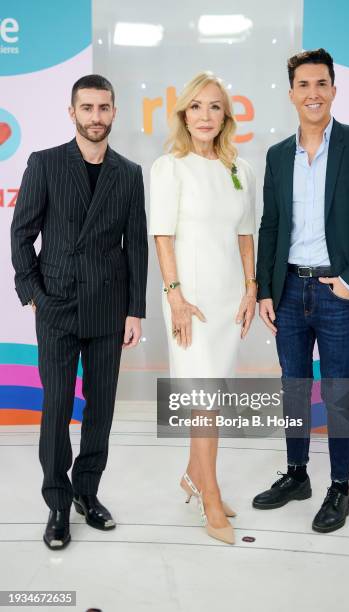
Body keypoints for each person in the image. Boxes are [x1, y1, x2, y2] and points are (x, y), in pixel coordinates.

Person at [253, 49, 349, 532]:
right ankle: (297, 475)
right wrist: (263, 290)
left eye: (321, 84)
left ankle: (339, 487)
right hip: (289, 289)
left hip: (337, 291)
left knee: (336, 391)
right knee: (293, 389)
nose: (312, 93)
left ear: (334, 89)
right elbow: (270, 226)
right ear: (291, 93)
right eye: (303, 85)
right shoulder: (276, 156)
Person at [10, 74, 148, 549]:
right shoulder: (45, 164)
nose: (95, 116)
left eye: (103, 107)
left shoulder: (129, 173)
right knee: (56, 407)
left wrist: (136, 310)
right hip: (57, 306)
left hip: (110, 309)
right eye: (86, 108)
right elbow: (21, 233)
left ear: (114, 112)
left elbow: (136, 249)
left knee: (102, 409)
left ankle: (87, 494)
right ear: (72, 113)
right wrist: (32, 293)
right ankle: (57, 503)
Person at [149, 71, 256, 544]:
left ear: (226, 115)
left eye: (215, 106)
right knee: (203, 401)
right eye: (196, 107)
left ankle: (193, 476)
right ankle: (210, 495)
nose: (206, 116)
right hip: (190, 301)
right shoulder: (169, 166)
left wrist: (251, 288)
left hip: (229, 298)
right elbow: (163, 234)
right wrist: (174, 295)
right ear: (183, 114)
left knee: (212, 397)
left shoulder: (241, 168)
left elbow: (245, 234)